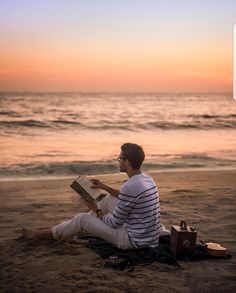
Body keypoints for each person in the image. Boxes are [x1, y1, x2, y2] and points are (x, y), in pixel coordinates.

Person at [22, 143, 164, 250]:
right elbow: (126, 197)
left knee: (82, 218)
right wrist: (103, 186)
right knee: (108, 199)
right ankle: (72, 226)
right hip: (145, 234)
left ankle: (50, 233)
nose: (118, 160)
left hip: (133, 241)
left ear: (127, 162)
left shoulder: (129, 186)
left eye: (120, 158)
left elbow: (114, 223)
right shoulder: (146, 179)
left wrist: (95, 210)